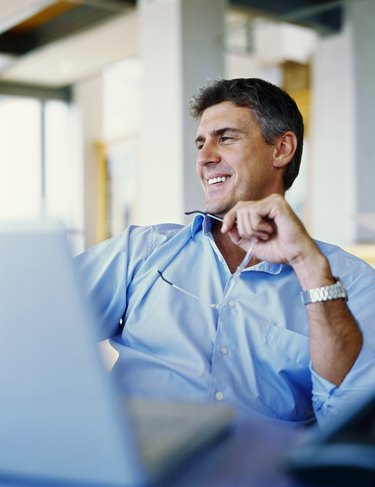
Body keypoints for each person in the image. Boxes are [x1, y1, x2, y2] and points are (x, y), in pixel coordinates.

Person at [76, 78, 375, 426]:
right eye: (201, 143)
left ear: (281, 149)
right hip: (133, 467)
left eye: (226, 138)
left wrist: (308, 266)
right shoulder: (141, 252)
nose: (204, 157)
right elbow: (34, 322)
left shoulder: (352, 283)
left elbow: (352, 424)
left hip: (261, 476)